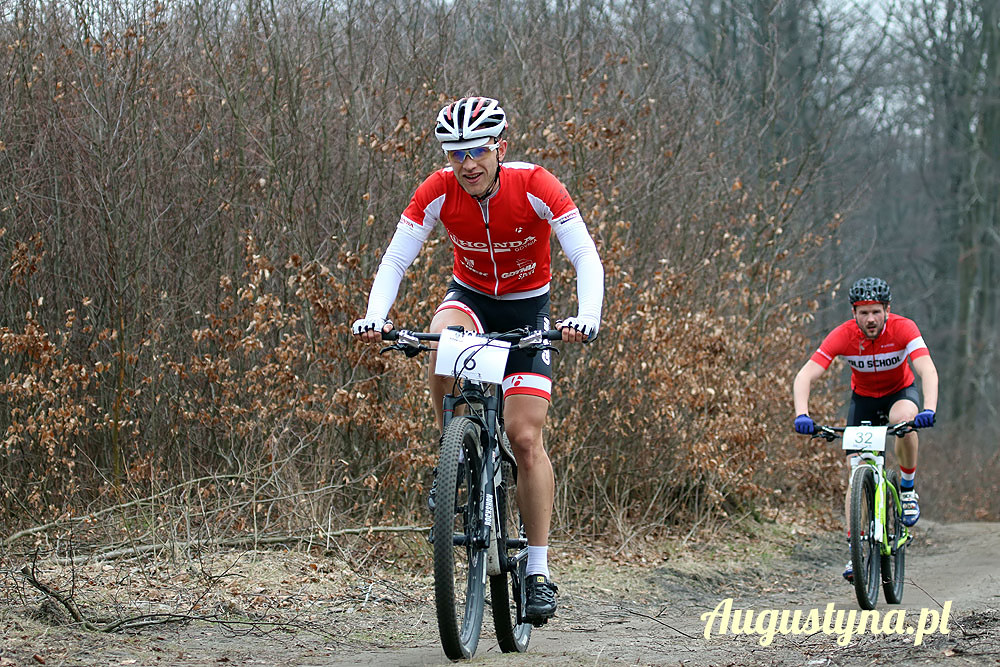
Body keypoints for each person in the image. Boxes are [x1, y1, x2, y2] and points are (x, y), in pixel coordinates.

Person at [352, 96, 604, 623]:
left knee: (526, 438)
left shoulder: (535, 184)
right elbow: (397, 257)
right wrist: (376, 316)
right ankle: (455, 455)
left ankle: (537, 568)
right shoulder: (438, 191)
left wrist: (586, 316)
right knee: (442, 341)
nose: (466, 164)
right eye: (455, 152)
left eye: (478, 151)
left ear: (500, 149)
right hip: (468, 300)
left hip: (527, 312)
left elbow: (583, 254)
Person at [792, 277, 938, 583]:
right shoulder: (844, 336)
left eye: (875, 312)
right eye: (863, 313)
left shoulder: (904, 328)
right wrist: (802, 414)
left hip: (901, 394)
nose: (870, 319)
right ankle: (856, 549)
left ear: (887, 310)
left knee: (905, 420)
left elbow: (926, 368)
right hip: (864, 402)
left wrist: (929, 408)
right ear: (854, 313)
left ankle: (908, 489)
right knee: (855, 469)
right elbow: (805, 376)